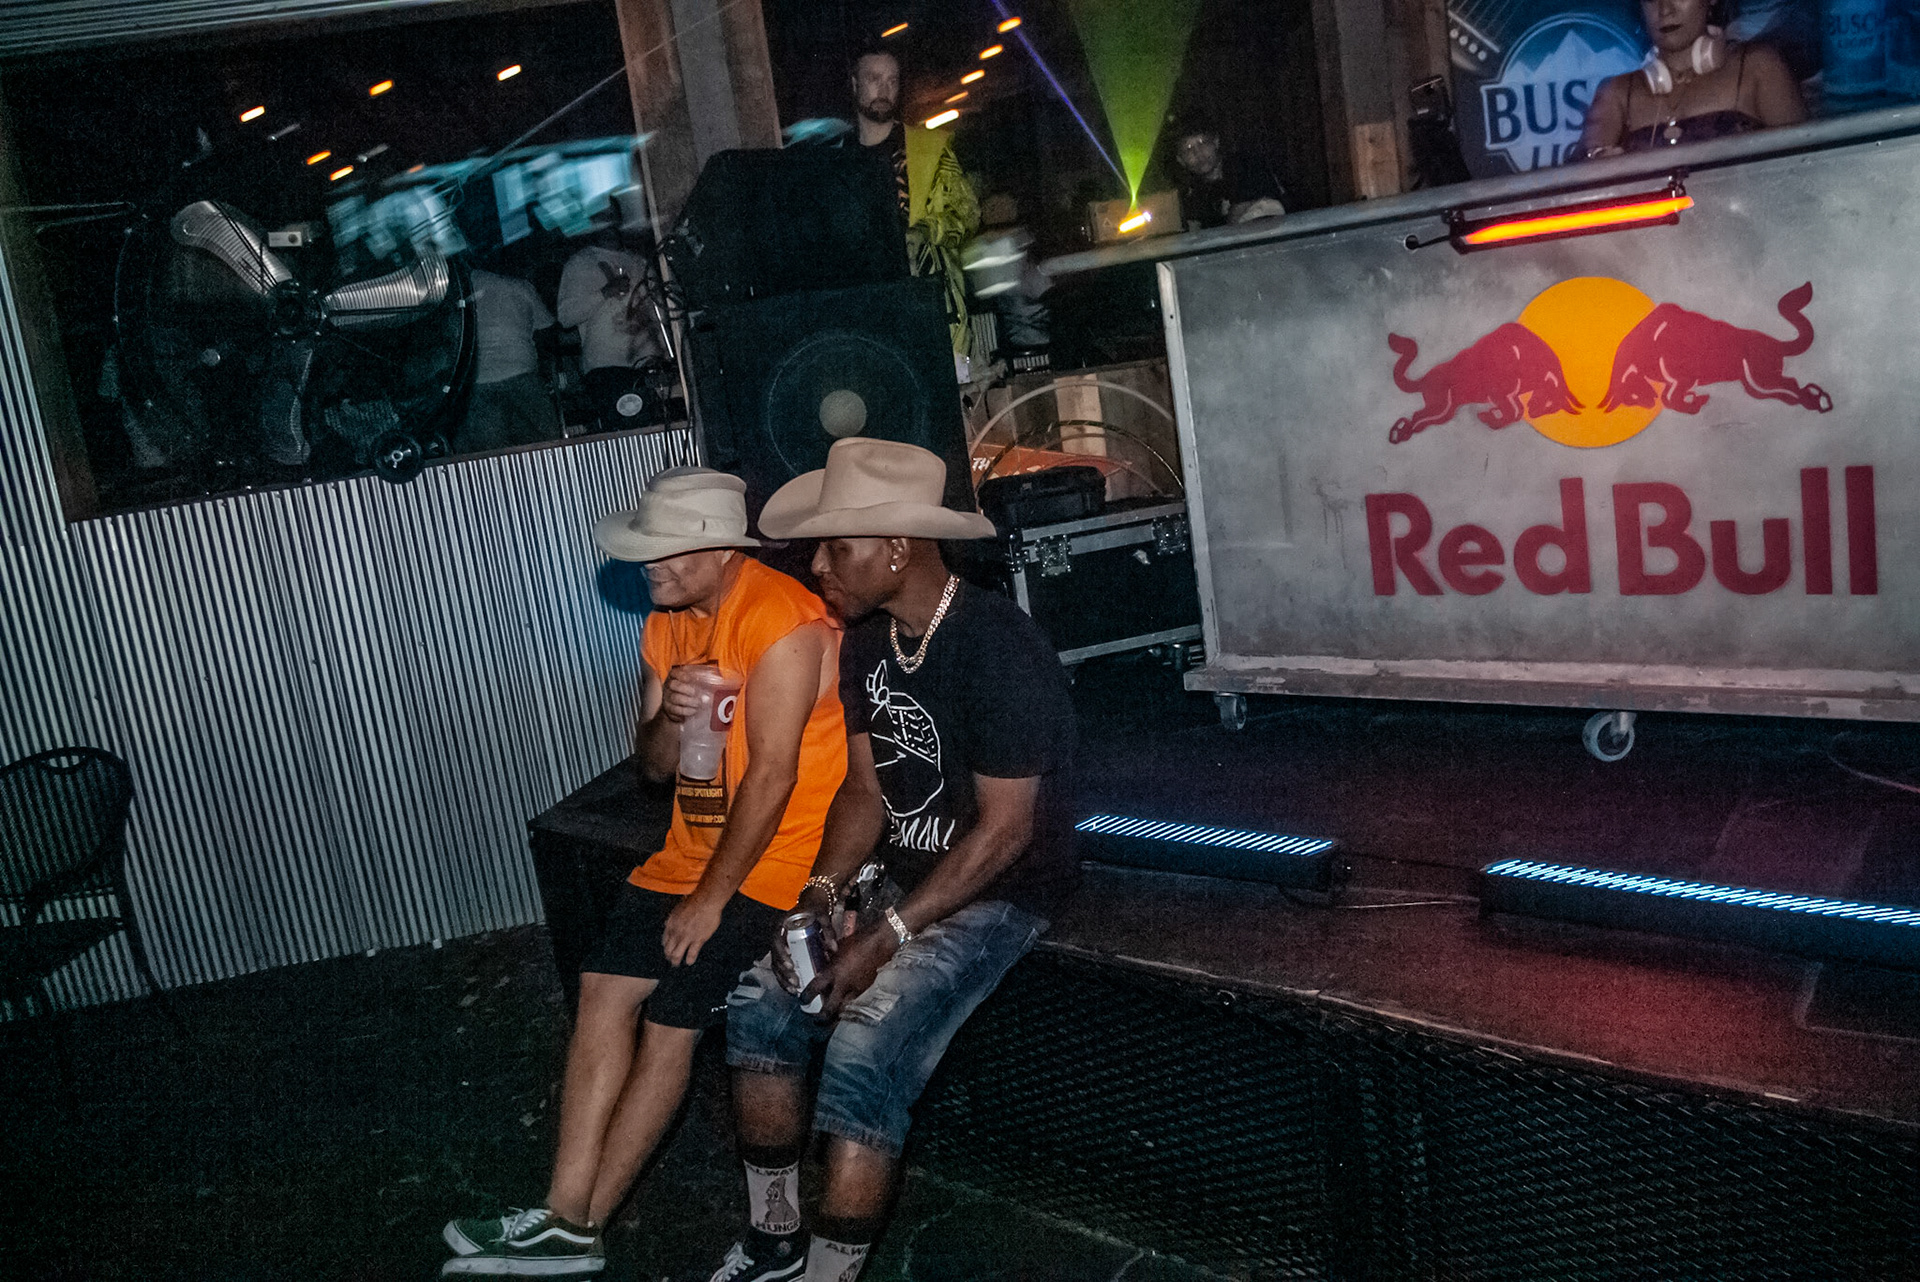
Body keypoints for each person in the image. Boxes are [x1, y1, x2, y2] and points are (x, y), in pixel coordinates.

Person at [441, 468, 847, 1276]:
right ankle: (563, 1215)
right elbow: (654, 767)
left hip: (768, 868)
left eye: (665, 550)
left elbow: (773, 778)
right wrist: (672, 713)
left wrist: (710, 899)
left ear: (721, 550)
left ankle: (579, 1232)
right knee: (601, 989)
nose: (648, 566)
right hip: (688, 852)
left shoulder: (781, 618)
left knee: (670, 1022)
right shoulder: (667, 624)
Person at [700, 439, 1078, 1282]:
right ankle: (774, 1242)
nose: (818, 565)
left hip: (1001, 889)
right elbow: (866, 794)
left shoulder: (1000, 648)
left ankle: (830, 1275)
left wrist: (883, 938)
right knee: (762, 1003)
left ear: (898, 549)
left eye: (837, 548)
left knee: (864, 1049)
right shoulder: (870, 642)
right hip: (903, 877)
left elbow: (1005, 834)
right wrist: (819, 897)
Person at [846, 47, 979, 361]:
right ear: (855, 84)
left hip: (933, 312)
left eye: (892, 80)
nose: (884, 89)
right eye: (874, 79)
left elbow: (967, 213)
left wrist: (925, 230)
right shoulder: (839, 159)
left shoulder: (928, 148)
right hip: (868, 319)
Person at [1578, 0, 1805, 156]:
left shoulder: (1758, 67)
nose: (1665, 9)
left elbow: (1805, 167)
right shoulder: (1617, 92)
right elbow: (1578, 182)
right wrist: (1597, 159)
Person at [557, 228, 659, 433]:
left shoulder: (639, 262)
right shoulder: (580, 263)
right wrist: (604, 293)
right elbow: (566, 317)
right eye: (601, 218)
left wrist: (663, 352)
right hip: (606, 367)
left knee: (656, 430)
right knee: (622, 435)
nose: (608, 225)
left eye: (611, 217)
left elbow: (659, 311)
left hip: (648, 362)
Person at [459, 267, 559, 453]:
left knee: (491, 452)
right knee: (545, 445)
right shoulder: (519, 285)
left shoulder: (461, 288)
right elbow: (547, 329)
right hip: (521, 373)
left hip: (480, 381)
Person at [1171, 127, 1287, 230]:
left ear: (1216, 142)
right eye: (1188, 148)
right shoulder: (1189, 195)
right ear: (1180, 160)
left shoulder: (1246, 165)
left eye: (1203, 142)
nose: (1198, 153)